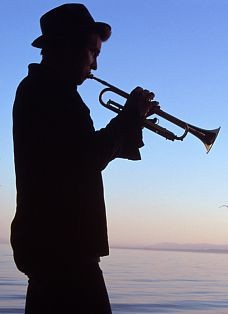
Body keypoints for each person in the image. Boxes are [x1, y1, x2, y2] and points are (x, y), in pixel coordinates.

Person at [11, 3, 154, 313]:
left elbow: (82, 156)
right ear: (67, 46)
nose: (96, 66)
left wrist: (132, 122)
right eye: (93, 52)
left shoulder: (47, 91)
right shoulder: (46, 93)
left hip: (55, 247)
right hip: (63, 249)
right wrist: (128, 119)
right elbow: (88, 157)